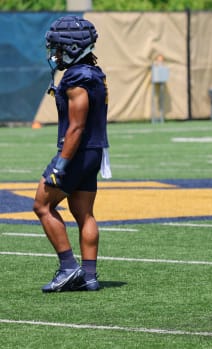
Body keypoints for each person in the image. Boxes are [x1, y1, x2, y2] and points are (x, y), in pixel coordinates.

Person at [32, 16, 110, 292]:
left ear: (74, 48)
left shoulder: (76, 76)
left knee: (42, 205)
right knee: (84, 212)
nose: (55, 54)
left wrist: (62, 163)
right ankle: (89, 276)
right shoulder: (94, 72)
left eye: (59, 48)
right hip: (93, 153)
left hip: (76, 152)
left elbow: (76, 126)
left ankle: (68, 268)